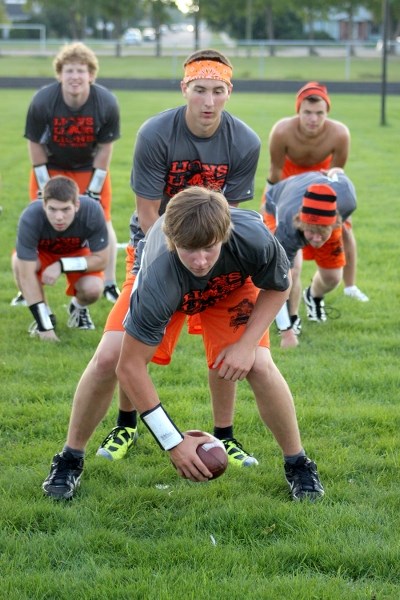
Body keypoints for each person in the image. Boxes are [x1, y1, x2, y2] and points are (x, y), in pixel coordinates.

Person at [41, 48, 262, 498]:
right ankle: (75, 454)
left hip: (216, 260)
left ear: (228, 93)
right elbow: (146, 217)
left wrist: (207, 270)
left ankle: (227, 435)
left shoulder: (245, 141)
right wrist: (174, 272)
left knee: (238, 354)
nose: (208, 100)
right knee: (113, 355)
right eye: (199, 89)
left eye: (217, 91)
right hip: (157, 254)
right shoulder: (157, 133)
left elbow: (231, 220)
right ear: (185, 89)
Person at [43, 186, 325, 501]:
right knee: (108, 358)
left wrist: (246, 345)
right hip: (171, 289)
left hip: (231, 285)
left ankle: (298, 463)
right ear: (173, 240)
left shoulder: (253, 237)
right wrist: (172, 441)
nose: (201, 260)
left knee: (259, 363)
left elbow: (278, 286)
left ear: (225, 234)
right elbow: (131, 365)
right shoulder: (157, 275)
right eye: (189, 248)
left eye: (209, 247)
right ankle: (70, 458)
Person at [11, 41, 120, 307]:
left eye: (81, 71)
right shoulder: (44, 100)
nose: (75, 76)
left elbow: (105, 147)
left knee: (102, 219)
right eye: (69, 70)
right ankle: (28, 285)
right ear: (59, 74)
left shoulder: (105, 102)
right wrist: (43, 182)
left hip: (88, 166)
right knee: (43, 218)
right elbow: (35, 143)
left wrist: (94, 187)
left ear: (91, 75)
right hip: (51, 165)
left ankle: (108, 282)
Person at [261, 81, 368, 305]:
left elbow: (336, 174)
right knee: (279, 238)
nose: (313, 119)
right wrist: (272, 205)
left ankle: (350, 286)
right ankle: (277, 298)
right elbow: (275, 171)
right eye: (307, 112)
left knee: (346, 231)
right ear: (298, 110)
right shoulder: (282, 130)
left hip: (323, 187)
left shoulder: (339, 134)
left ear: (327, 112)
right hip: (287, 188)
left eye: (319, 113)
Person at [265, 172, 357, 348]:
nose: (315, 239)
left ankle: (313, 295)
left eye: (321, 232)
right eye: (311, 232)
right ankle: (292, 319)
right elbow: (277, 281)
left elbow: (339, 172)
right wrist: (287, 333)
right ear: (301, 223)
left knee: (332, 277)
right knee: (291, 272)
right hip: (278, 201)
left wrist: (332, 172)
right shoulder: (287, 228)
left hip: (321, 199)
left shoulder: (347, 199)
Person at [12, 175, 109, 340]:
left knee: (93, 289)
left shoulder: (92, 210)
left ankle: (77, 308)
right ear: (44, 205)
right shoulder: (30, 216)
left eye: (65, 209)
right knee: (18, 262)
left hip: (76, 253)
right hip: (42, 255)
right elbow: (26, 273)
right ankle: (46, 315)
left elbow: (102, 260)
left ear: (76, 205)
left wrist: (62, 265)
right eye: (52, 209)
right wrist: (45, 327)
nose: (59, 217)